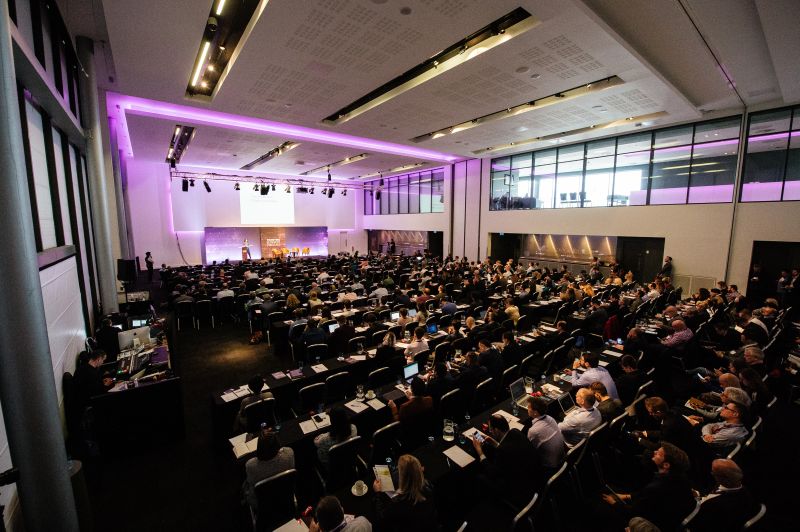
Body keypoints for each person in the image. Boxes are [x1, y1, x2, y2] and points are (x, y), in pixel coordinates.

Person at [601, 442, 695, 532]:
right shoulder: (682, 478)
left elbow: (633, 513)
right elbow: (645, 496)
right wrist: (626, 496)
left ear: (666, 465)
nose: (654, 452)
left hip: (651, 524)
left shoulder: (656, 488)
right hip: (667, 520)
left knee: (602, 510)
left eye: (658, 453)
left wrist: (613, 503)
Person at [471, 414, 543, 507]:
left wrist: (480, 452)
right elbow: (512, 450)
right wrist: (496, 444)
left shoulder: (502, 451)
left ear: (496, 430)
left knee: (480, 478)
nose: (490, 431)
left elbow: (493, 473)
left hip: (520, 490)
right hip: (534, 477)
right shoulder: (515, 431)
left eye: (491, 429)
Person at [372, 454, 436, 532]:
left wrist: (378, 493)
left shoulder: (399, 504)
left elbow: (381, 517)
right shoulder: (428, 486)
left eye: (399, 469)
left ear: (403, 478)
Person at [691, 459, 756, 532]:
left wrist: (696, 498)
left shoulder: (714, 505)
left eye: (713, 473)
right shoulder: (745, 491)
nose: (711, 474)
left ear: (722, 478)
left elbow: (699, 522)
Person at [243, 430, 294, 508]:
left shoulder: (250, 465)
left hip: (262, 503)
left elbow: (251, 482)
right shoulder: (289, 453)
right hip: (284, 494)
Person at [526, 396, 566, 470]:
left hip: (550, 467)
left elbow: (530, 451)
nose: (527, 409)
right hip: (562, 459)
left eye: (528, 407)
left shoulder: (533, 431)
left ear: (535, 412)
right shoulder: (550, 418)